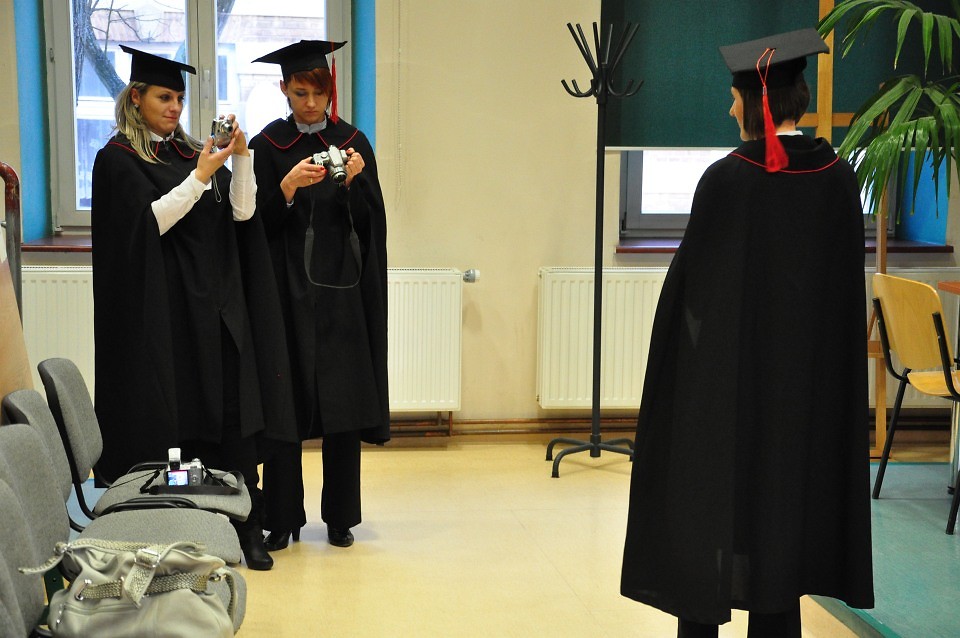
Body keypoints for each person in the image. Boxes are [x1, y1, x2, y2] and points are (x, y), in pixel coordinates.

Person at [619, 29, 874, 637]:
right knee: (782, 518)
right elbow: (841, 298)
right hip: (805, 401)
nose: (730, 108)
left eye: (735, 99)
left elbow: (692, 298)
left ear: (756, 104)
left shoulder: (728, 180)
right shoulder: (839, 178)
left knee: (710, 507)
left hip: (729, 393)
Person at [91, 46, 297, 571]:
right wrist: (201, 176)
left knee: (234, 423)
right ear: (135, 99)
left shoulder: (188, 153)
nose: (174, 107)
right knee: (181, 435)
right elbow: (149, 225)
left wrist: (241, 158)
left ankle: (246, 525)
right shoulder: (119, 159)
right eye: (164, 97)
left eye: (179, 99)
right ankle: (189, 530)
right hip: (168, 321)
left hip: (218, 312)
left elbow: (243, 214)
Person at [249, 40, 390, 550]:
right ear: (283, 89)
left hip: (341, 293)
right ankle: (282, 517)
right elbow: (254, 227)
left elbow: (372, 227)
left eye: (319, 93)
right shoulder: (267, 146)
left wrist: (355, 184)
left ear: (330, 90)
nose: (310, 104)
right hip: (286, 295)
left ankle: (341, 517)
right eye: (300, 93)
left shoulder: (353, 141)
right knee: (284, 408)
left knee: (342, 406)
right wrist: (286, 189)